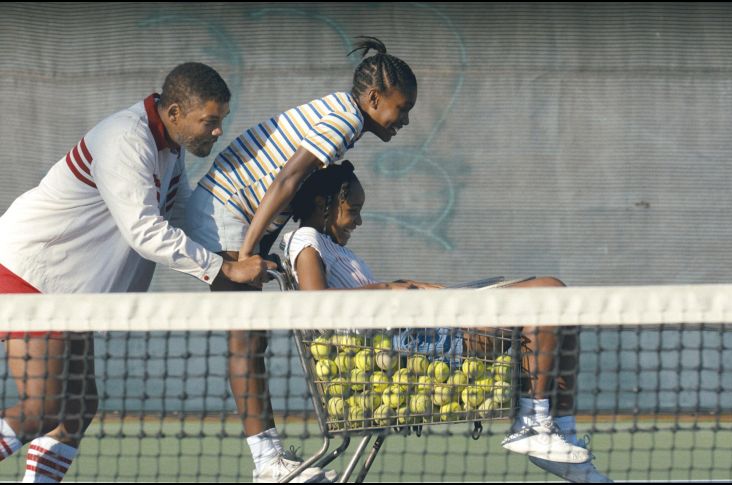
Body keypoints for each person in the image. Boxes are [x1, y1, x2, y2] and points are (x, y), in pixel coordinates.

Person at [0, 63, 273, 483]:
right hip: (31, 275)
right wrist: (224, 268)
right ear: (177, 112)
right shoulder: (126, 139)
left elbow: (179, 217)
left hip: (67, 293)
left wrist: (229, 261)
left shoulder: (170, 150)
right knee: (45, 406)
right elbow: (145, 231)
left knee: (76, 409)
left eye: (221, 121)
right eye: (210, 121)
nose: (217, 131)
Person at [281, 161, 612, 483]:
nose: (360, 220)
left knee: (559, 302)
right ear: (323, 204)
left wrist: (410, 284)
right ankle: (532, 423)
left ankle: (560, 431)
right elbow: (318, 306)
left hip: (421, 333)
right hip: (416, 347)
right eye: (353, 210)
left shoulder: (332, 246)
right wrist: (390, 289)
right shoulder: (305, 239)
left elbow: (365, 294)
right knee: (549, 293)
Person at [184, 37, 418, 483]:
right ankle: (268, 463)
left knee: (252, 340)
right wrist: (249, 253)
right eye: (401, 108)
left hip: (241, 217)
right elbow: (287, 180)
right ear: (374, 99)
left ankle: (270, 459)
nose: (404, 120)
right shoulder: (343, 121)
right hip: (226, 214)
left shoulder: (342, 118)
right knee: (247, 340)